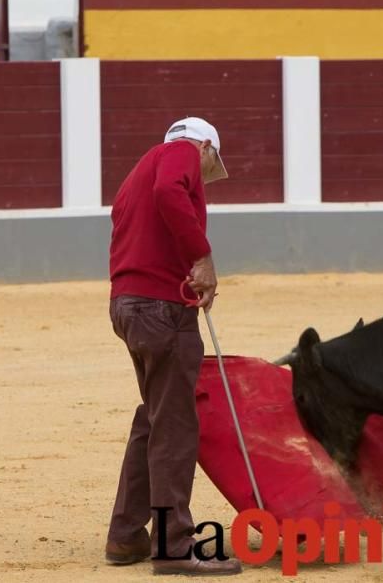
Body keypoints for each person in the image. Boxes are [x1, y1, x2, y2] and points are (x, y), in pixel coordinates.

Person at [104, 117, 241, 576]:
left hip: (130, 307)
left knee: (154, 418)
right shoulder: (179, 153)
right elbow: (170, 192)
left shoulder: (136, 173)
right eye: (210, 165)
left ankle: (126, 536)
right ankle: (174, 545)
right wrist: (202, 257)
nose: (204, 178)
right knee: (176, 426)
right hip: (162, 312)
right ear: (205, 146)